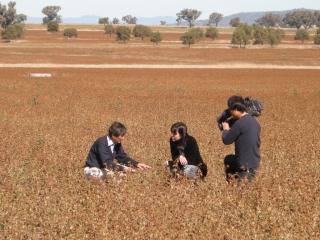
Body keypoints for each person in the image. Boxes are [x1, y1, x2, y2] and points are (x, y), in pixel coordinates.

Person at [84, 121, 151, 181]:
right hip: (93, 168)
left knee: (123, 176)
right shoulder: (101, 142)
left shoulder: (117, 143)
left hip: (105, 168)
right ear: (113, 135)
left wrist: (137, 164)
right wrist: (124, 168)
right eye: (121, 136)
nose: (123, 138)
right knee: (96, 176)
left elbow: (122, 157)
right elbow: (106, 163)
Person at [221, 100, 261, 183]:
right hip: (254, 161)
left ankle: (232, 184)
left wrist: (225, 129)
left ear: (235, 109)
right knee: (229, 159)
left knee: (242, 192)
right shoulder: (254, 122)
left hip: (244, 164)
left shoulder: (239, 123)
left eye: (231, 111)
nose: (230, 114)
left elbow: (226, 140)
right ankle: (232, 182)